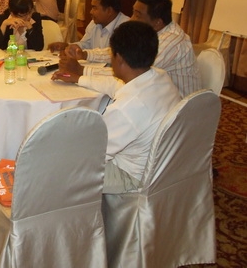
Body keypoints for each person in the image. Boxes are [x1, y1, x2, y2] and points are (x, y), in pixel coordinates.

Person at [52, 21, 181, 193]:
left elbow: (93, 154)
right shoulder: (159, 77)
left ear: (118, 58)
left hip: (131, 175)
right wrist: (78, 78)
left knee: (59, 168)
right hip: (164, 160)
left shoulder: (126, 108)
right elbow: (114, 85)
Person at [57, 0, 201, 97]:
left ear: (157, 22)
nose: (131, 19)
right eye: (133, 12)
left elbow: (133, 72)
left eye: (137, 15)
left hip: (173, 112)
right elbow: (121, 53)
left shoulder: (170, 42)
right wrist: (85, 54)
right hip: (155, 96)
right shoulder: (152, 33)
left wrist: (82, 71)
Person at [49, 0, 130, 52]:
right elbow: (85, 44)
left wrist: (86, 55)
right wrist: (66, 46)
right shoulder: (95, 23)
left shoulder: (126, 28)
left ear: (109, 11)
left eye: (95, 8)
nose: (91, 12)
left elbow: (112, 56)